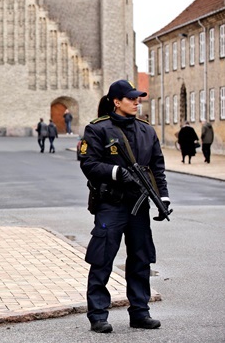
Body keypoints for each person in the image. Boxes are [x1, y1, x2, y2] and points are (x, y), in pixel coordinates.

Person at [79, 79, 170, 334]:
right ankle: (98, 315)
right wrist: (116, 172)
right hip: (111, 204)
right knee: (103, 258)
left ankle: (140, 313)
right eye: (131, 98)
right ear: (116, 102)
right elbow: (88, 164)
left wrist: (163, 197)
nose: (136, 102)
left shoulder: (146, 131)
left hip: (138, 206)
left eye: (137, 98)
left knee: (141, 258)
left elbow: (157, 167)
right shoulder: (98, 129)